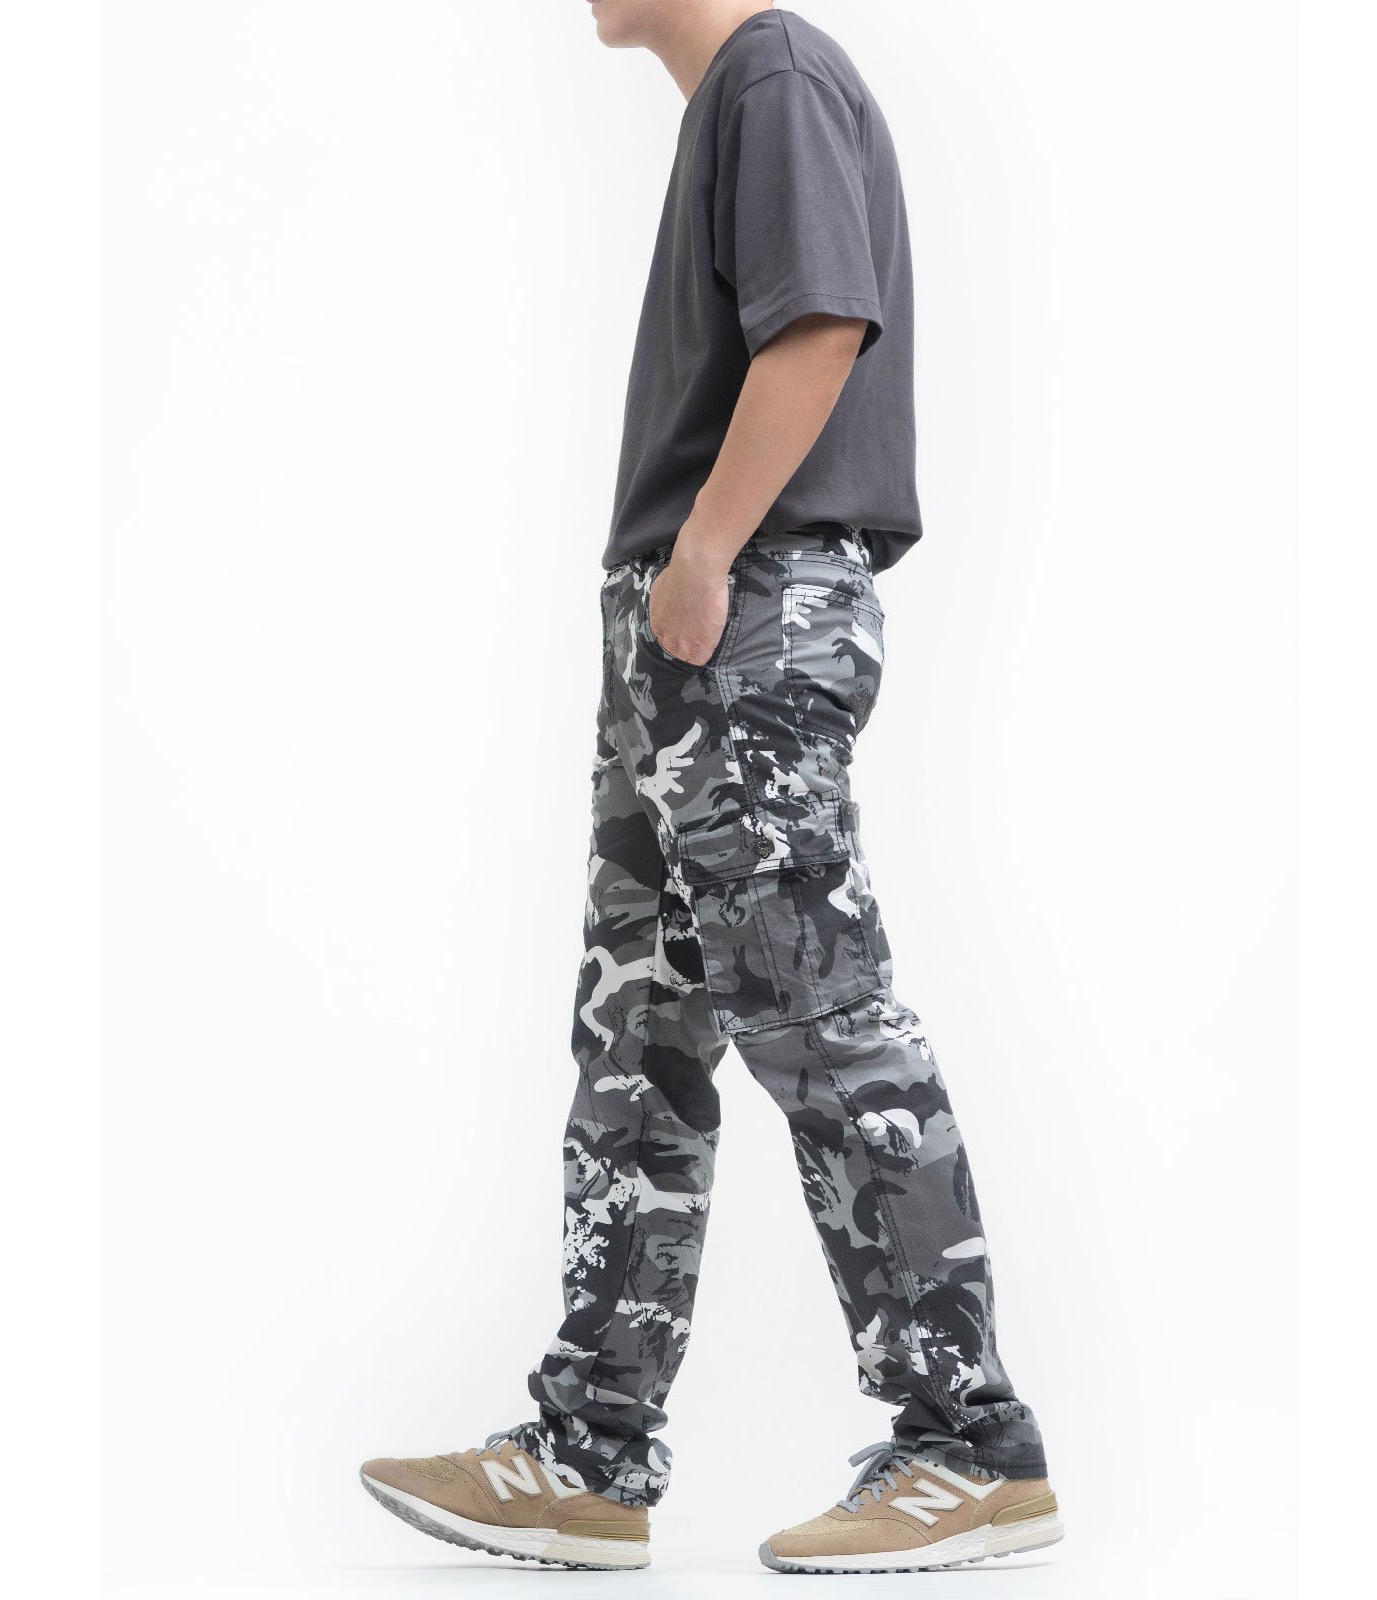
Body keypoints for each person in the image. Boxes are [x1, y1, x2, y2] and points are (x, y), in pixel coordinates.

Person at [360, 1, 1059, 1574]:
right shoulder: (738, 99)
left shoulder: (776, 73)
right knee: (640, 1041)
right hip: (693, 627)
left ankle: (971, 1443)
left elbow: (822, 327)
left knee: (820, 1014)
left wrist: (703, 553)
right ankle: (590, 1453)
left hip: (747, 608)